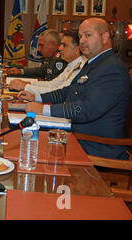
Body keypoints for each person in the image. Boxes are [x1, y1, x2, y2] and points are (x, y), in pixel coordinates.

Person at [23, 18, 131, 160]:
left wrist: (43, 110)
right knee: (25, 136)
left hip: (95, 145)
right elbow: (68, 91)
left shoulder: (112, 69)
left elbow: (87, 109)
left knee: (28, 145)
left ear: (105, 37)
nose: (82, 41)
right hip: (74, 134)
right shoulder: (94, 63)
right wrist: (37, 97)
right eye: (80, 36)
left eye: (88, 35)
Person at [10, 31, 87, 95]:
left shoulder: (82, 68)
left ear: (77, 49)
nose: (59, 48)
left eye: (64, 45)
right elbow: (52, 84)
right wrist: (28, 84)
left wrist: (25, 86)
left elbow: (59, 92)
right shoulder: (70, 66)